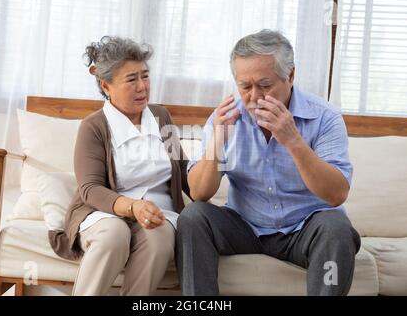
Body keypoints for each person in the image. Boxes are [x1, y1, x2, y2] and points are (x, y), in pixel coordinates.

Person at [176, 29, 361, 296]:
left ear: (291, 75)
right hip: (245, 227)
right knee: (194, 216)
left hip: (305, 230)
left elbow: (336, 195)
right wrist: (217, 139)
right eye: (245, 86)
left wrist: (293, 141)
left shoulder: (325, 117)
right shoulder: (226, 117)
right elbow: (200, 193)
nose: (254, 97)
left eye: (265, 85)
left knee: (336, 227)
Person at [48, 36, 190, 296]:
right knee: (114, 235)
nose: (142, 87)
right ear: (106, 86)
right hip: (105, 212)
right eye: (131, 79)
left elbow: (183, 172)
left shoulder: (161, 116)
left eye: (145, 76)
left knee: (159, 239)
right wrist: (133, 207)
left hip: (157, 213)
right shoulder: (94, 126)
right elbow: (90, 188)